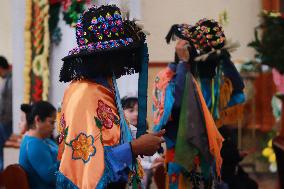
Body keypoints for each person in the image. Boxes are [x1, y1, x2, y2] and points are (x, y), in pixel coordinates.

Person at [56, 5, 165, 189]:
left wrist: (140, 139)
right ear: (105, 58)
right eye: (119, 55)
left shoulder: (98, 87)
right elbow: (88, 164)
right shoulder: (86, 93)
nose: (122, 63)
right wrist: (136, 147)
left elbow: (108, 138)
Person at [152, 23, 224, 188]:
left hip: (203, 154)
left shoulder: (204, 78)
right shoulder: (165, 78)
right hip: (178, 154)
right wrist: (183, 64)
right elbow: (177, 105)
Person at [122, 96, 165, 189]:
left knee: (158, 168)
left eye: (139, 111)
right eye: (131, 110)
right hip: (131, 172)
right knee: (138, 176)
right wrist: (150, 165)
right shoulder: (122, 136)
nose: (136, 114)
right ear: (121, 112)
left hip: (147, 171)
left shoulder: (145, 134)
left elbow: (153, 154)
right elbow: (127, 160)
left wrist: (157, 159)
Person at [19, 101, 59, 189]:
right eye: (51, 122)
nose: (54, 127)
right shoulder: (34, 145)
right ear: (37, 120)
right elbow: (53, 178)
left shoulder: (43, 140)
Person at [0, 56, 12, 171]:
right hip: (3, 121)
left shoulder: (11, 79)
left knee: (5, 149)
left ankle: (3, 173)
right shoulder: (7, 78)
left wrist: (4, 120)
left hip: (6, 121)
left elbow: (9, 105)